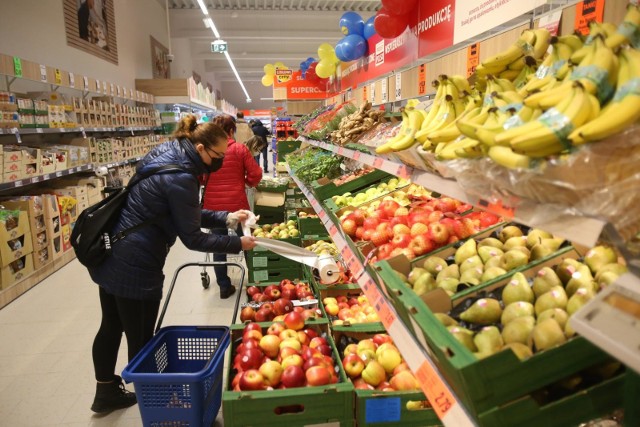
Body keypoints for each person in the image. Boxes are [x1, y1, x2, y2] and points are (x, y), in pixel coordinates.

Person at [88, 114, 257, 414]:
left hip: (115, 250)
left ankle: (105, 391)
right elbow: (192, 237)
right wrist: (237, 243)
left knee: (111, 324)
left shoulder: (167, 154)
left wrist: (227, 217)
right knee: (140, 336)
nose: (219, 162)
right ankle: (158, 405)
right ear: (202, 148)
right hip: (137, 262)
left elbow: (180, 213)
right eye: (217, 156)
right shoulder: (182, 177)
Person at [203, 115, 262, 298]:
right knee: (247, 242)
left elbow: (200, 177)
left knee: (218, 244)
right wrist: (246, 181)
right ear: (231, 131)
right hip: (237, 206)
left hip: (213, 209)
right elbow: (255, 174)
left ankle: (223, 286)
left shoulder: (207, 151)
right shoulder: (239, 149)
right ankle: (255, 284)